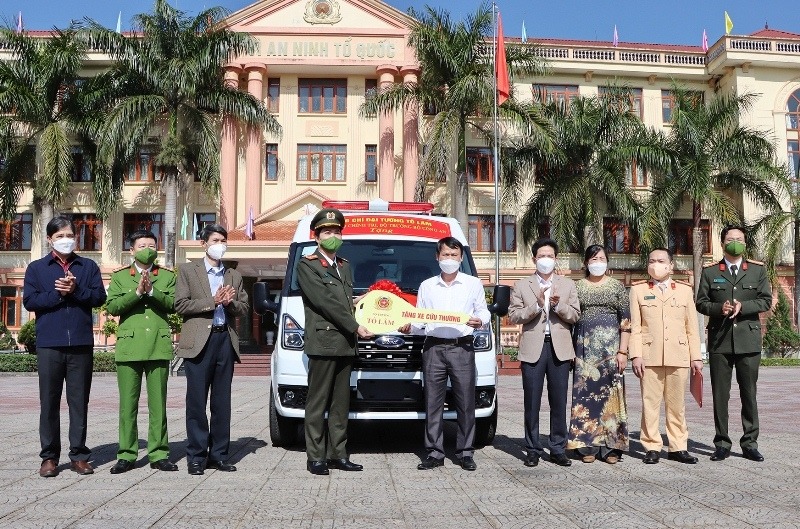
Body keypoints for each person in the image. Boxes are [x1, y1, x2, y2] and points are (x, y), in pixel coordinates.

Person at [23, 215, 107, 478]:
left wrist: (76, 290)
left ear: (76, 237)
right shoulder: (37, 268)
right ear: (50, 239)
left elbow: (99, 297)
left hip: (81, 343)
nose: (65, 240)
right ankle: (49, 457)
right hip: (49, 344)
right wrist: (58, 294)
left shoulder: (87, 266)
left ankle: (79, 455)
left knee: (79, 401)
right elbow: (30, 301)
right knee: (49, 401)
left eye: (69, 235)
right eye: (60, 236)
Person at [399, 236, 490, 471]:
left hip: (462, 347)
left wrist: (480, 320)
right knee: (433, 402)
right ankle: (434, 453)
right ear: (437, 257)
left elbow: (483, 311)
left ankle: (465, 452)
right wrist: (409, 326)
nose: (450, 259)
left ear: (461, 258)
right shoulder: (427, 285)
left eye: (454, 255)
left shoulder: (472, 284)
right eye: (446, 255)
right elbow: (420, 318)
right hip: (433, 348)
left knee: (465, 402)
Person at [297, 208, 373, 475]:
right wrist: (356, 326)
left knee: (340, 405)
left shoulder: (344, 266)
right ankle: (316, 457)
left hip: (345, 343)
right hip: (324, 342)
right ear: (316, 237)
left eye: (337, 232)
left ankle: (338, 454)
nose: (333, 236)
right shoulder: (307, 265)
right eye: (327, 232)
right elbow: (325, 302)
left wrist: (362, 304)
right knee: (318, 403)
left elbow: (342, 302)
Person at [175, 224, 249, 475]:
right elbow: (180, 305)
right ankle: (196, 455)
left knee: (221, 402)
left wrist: (229, 304)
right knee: (196, 401)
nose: (220, 245)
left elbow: (244, 308)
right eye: (215, 240)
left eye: (223, 240)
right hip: (199, 343)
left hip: (224, 340)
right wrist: (213, 301)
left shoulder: (233, 275)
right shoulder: (188, 271)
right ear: (203, 243)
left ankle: (219, 455)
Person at [696, 225, 772, 462]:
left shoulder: (757, 270)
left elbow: (765, 301)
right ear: (722, 243)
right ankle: (722, 443)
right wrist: (719, 308)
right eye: (730, 239)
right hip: (720, 341)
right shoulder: (710, 272)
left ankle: (750, 443)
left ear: (745, 243)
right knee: (720, 395)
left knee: (749, 394)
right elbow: (701, 303)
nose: (735, 242)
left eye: (739, 239)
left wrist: (743, 306)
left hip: (748, 341)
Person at [105, 230, 178, 474]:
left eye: (151, 245)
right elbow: (113, 307)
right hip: (129, 347)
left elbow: (173, 304)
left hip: (158, 345)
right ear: (131, 250)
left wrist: (152, 292)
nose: (147, 249)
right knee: (128, 405)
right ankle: (127, 454)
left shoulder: (166, 276)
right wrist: (136, 292)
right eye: (142, 245)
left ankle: (159, 453)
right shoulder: (120, 277)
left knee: (159, 405)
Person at [508, 238, 580, 467]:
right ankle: (532, 448)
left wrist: (558, 306)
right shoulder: (522, 285)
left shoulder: (568, 285)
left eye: (550, 256)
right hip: (533, 348)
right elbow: (514, 315)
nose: (546, 260)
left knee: (559, 401)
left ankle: (558, 447)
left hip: (559, 348)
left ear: (556, 259)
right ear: (534, 259)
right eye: (542, 256)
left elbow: (575, 315)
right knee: (532, 401)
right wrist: (537, 305)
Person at [629, 248, 702, 464]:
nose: (656, 265)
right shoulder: (638, 290)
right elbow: (635, 327)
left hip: (678, 355)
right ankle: (652, 446)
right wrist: (636, 355)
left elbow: (692, 328)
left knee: (677, 405)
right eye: (652, 261)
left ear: (671, 266)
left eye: (661, 261)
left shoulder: (684, 291)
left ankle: (678, 446)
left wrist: (696, 357)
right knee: (650, 404)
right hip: (649, 356)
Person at [567, 245, 630, 464]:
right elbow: (570, 318)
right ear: (586, 262)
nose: (598, 263)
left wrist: (623, 351)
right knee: (585, 396)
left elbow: (626, 321)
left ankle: (611, 447)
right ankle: (586, 446)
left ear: (607, 261)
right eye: (593, 259)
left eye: (602, 258)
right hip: (584, 350)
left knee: (612, 397)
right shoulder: (577, 286)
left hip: (612, 351)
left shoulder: (617, 286)